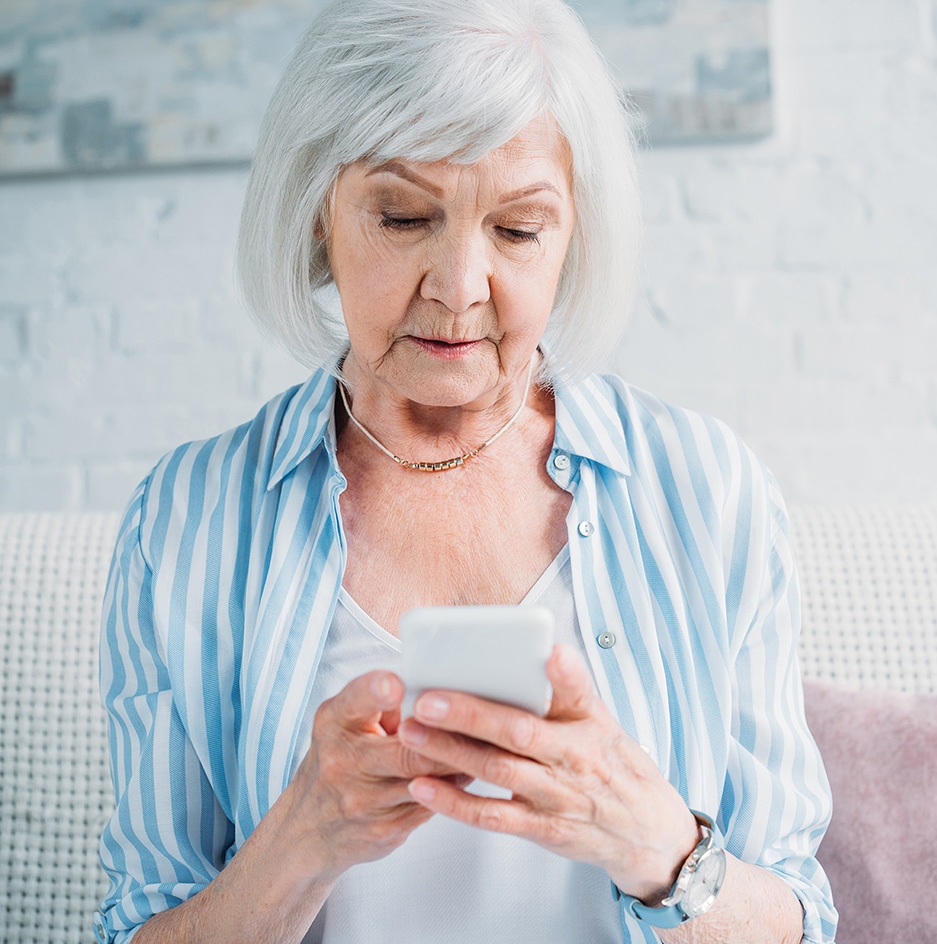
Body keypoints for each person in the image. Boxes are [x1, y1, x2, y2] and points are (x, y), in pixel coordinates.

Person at [96, 1, 837, 942]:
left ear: (575, 237)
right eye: (404, 216)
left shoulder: (708, 491)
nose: (459, 285)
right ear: (317, 214)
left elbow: (802, 925)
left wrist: (656, 845)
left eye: (519, 230)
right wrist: (303, 837)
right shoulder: (186, 523)